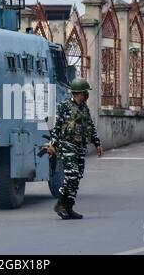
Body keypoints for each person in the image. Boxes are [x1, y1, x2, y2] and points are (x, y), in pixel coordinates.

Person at [47, 78, 103, 219]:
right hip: (67, 144)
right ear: (78, 93)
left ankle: (69, 206)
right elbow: (57, 127)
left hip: (81, 146)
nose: (86, 95)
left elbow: (90, 126)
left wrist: (97, 144)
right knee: (71, 175)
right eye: (85, 92)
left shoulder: (84, 108)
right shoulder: (64, 106)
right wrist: (52, 144)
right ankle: (60, 203)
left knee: (77, 177)